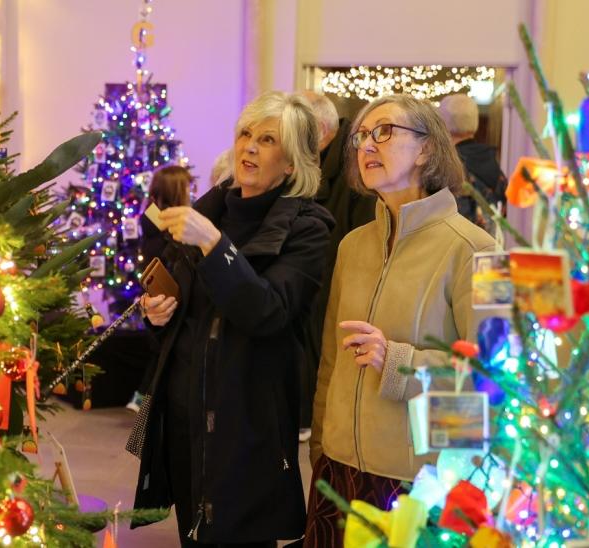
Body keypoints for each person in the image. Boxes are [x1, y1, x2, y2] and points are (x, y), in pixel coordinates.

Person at [130, 91, 334, 546]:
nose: (249, 147)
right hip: (184, 417)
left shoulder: (308, 227)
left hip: (247, 426)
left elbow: (269, 311)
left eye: (267, 139)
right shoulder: (208, 210)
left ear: (293, 162)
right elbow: (181, 308)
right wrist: (158, 315)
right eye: (245, 134)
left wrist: (216, 246)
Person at [306, 94, 497, 547]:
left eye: (385, 132)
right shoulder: (353, 245)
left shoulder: (479, 251)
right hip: (338, 471)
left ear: (428, 148)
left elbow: (495, 379)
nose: (368, 145)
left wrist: (400, 362)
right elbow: (331, 363)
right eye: (362, 136)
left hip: (416, 483)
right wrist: (320, 448)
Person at [296, 90, 377, 444]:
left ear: (320, 131)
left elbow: (361, 243)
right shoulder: (322, 163)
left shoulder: (352, 169)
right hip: (320, 284)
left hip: (339, 291)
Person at [128, 165, 194, 413]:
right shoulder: (165, 223)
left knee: (160, 349)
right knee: (162, 349)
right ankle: (142, 398)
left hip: (157, 285)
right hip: (164, 289)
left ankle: (141, 397)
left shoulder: (152, 217)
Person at [437, 93, 508, 229]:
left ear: (442, 124)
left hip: (461, 244)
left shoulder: (449, 166)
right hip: (494, 246)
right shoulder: (494, 160)